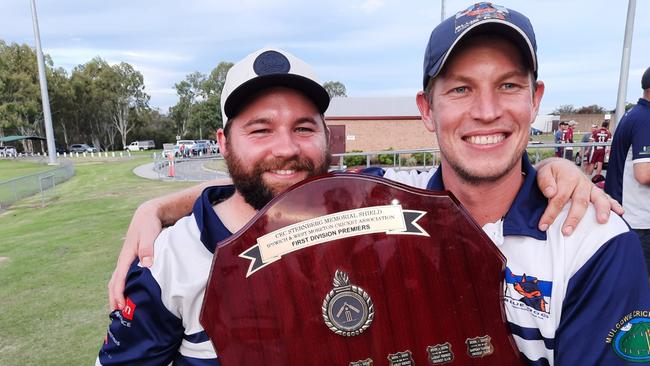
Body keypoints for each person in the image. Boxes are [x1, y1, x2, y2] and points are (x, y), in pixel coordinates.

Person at [411, 3, 648, 364]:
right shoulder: (382, 216)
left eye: (508, 85)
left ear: (535, 100)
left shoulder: (598, 241)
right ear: (427, 109)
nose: (487, 111)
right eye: (461, 89)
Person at [97, 47, 333, 364]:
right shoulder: (169, 260)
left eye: (304, 128)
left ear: (327, 136)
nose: (286, 148)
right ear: (223, 143)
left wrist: (160, 205)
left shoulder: (378, 208)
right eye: (261, 130)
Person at [605, 66, 650, 274]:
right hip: (638, 218)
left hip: (630, 215)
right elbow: (644, 174)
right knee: (639, 282)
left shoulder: (636, 113)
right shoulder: (645, 119)